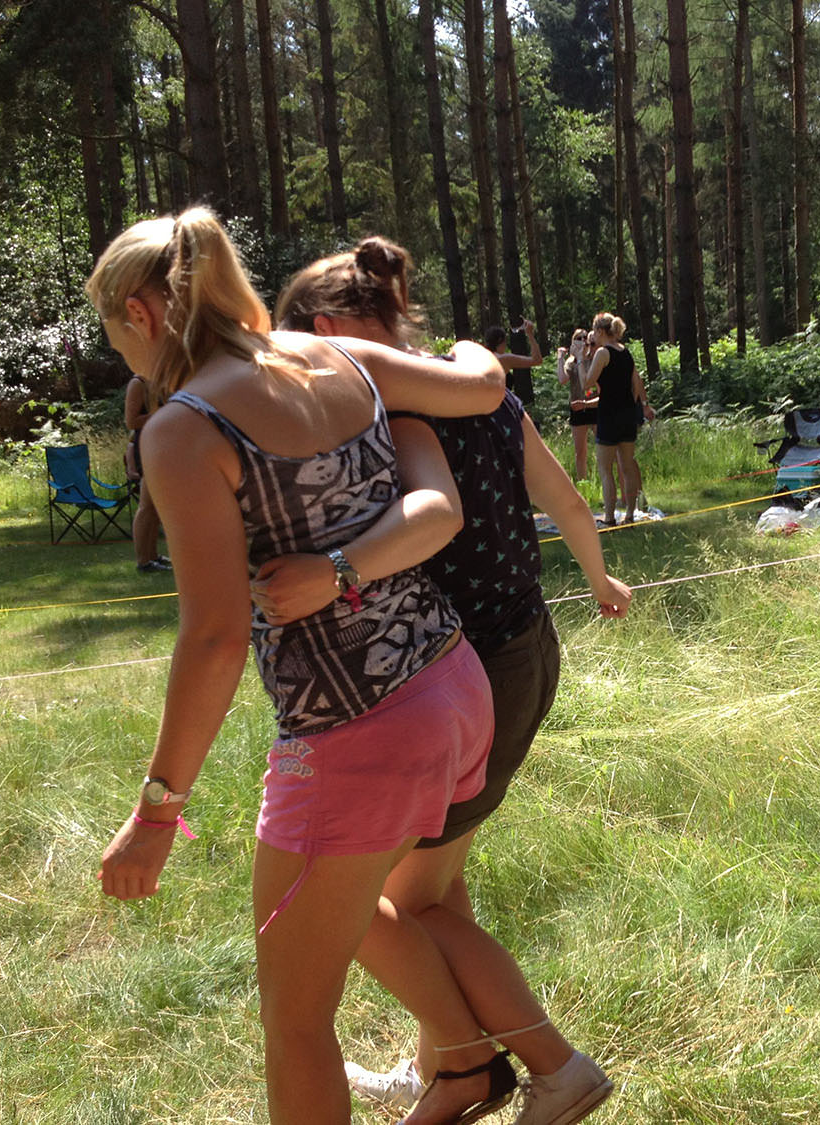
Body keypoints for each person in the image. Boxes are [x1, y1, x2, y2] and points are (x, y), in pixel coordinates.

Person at [89, 208, 525, 1125]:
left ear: (142, 311)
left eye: (110, 331)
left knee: (295, 1020)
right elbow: (479, 392)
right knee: (400, 904)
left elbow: (212, 637)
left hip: (354, 727)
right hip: (450, 682)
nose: (119, 353)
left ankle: (481, 1063)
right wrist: (480, 355)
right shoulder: (332, 356)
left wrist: (158, 808)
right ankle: (470, 1065)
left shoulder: (183, 427)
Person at [268, 236, 630, 1125]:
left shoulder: (373, 397)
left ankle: (545, 1064)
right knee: (434, 886)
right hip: (523, 646)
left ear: (328, 331)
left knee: (392, 905)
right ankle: (447, 1063)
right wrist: (597, 576)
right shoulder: (477, 382)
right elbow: (566, 499)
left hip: (461, 666)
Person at [580, 312, 654, 526]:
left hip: (609, 415)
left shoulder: (603, 353)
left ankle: (610, 517)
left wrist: (580, 360)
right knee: (628, 466)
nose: (592, 334)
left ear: (601, 331)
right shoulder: (626, 351)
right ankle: (630, 515)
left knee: (606, 469)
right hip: (627, 414)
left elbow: (587, 383)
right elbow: (637, 381)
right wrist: (644, 405)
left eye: (594, 330)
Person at [123, 372, 171, 572]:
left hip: (161, 447)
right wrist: (164, 412)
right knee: (146, 506)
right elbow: (131, 421)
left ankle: (152, 556)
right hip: (146, 447)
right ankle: (144, 561)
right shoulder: (138, 383)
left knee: (154, 509)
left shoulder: (161, 381)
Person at [556, 328, 597, 480]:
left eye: (585, 338)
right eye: (579, 338)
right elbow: (562, 379)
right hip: (577, 408)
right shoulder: (571, 362)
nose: (583, 340)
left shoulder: (594, 358)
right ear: (574, 341)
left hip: (594, 405)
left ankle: (605, 481)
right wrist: (560, 357)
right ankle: (583, 484)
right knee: (580, 451)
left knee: (603, 447)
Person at [485, 320, 543, 406]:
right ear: (501, 340)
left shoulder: (483, 356)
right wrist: (530, 334)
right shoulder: (504, 359)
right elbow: (537, 360)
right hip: (499, 407)